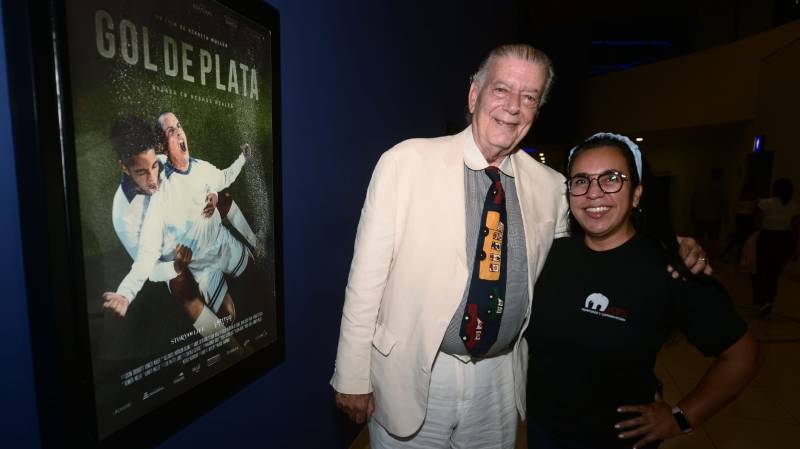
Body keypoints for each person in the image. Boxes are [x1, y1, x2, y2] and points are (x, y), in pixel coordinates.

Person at [331, 44, 710, 449]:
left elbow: (598, 242)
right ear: (474, 94)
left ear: (536, 111)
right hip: (414, 372)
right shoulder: (405, 162)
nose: (513, 107)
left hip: (500, 379)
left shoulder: (550, 187)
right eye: (501, 90)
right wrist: (353, 376)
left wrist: (669, 248)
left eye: (528, 97)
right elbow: (365, 280)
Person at [526, 133, 759, 449]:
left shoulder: (668, 268)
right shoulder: (549, 253)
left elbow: (741, 355)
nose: (594, 193)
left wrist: (681, 417)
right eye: (581, 181)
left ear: (637, 194)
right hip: (543, 432)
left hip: (615, 441)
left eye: (611, 179)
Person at [103, 112, 256, 333]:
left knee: (222, 205)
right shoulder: (124, 216)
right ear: (124, 167)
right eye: (141, 172)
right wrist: (126, 293)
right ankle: (218, 339)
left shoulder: (164, 162)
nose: (153, 180)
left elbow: (204, 178)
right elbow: (148, 264)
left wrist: (212, 193)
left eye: (154, 166)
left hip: (202, 237)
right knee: (181, 284)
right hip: (174, 260)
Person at [751, 177, 799, 317]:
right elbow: (796, 230)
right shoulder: (794, 207)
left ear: (775, 189)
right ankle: (768, 302)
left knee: (761, 271)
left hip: (767, 238)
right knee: (773, 274)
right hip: (785, 240)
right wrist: (794, 248)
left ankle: (760, 302)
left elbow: (757, 224)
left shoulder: (765, 204)